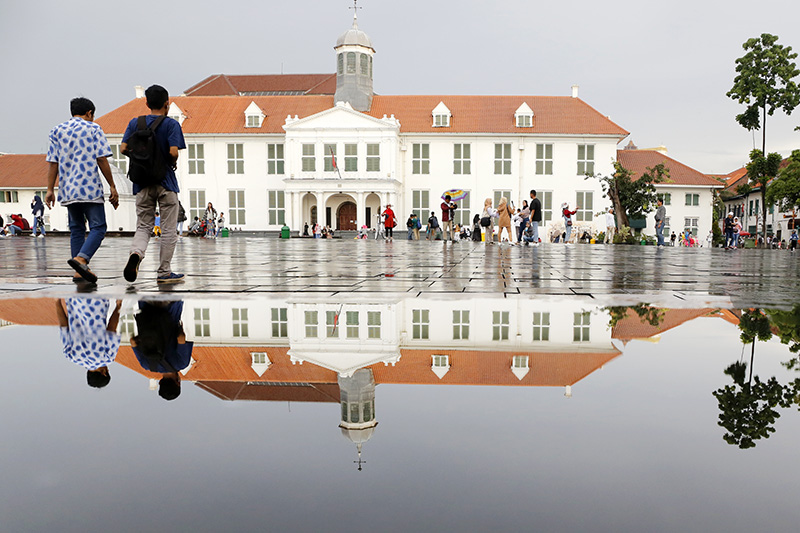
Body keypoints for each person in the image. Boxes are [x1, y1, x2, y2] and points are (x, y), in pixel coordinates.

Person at [45, 97, 119, 283]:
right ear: (89, 113)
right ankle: (82, 258)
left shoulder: (57, 130)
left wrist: (49, 189)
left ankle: (79, 271)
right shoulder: (93, 128)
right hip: (89, 188)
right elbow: (101, 159)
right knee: (99, 227)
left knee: (77, 229)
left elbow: (53, 162)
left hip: (68, 189)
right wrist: (112, 185)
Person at [121, 85, 187, 284]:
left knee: (143, 226)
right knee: (168, 229)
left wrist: (141, 157)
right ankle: (164, 272)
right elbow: (174, 152)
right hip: (166, 182)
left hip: (142, 183)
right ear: (167, 103)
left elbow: (124, 148)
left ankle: (136, 253)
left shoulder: (135, 123)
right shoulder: (171, 125)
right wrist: (167, 161)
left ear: (147, 103)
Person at [130, 301, 193, 401]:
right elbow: (133, 341)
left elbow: (181, 338)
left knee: (172, 286)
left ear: (178, 383)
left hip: (171, 311)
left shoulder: (181, 363)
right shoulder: (147, 365)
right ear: (160, 382)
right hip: (147, 311)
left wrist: (180, 329)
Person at [55, 298, 121, 389]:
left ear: (104, 373)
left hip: (99, 303)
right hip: (73, 301)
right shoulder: (72, 357)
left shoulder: (107, 358)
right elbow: (64, 327)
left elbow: (111, 329)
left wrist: (118, 306)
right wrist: (57, 302)